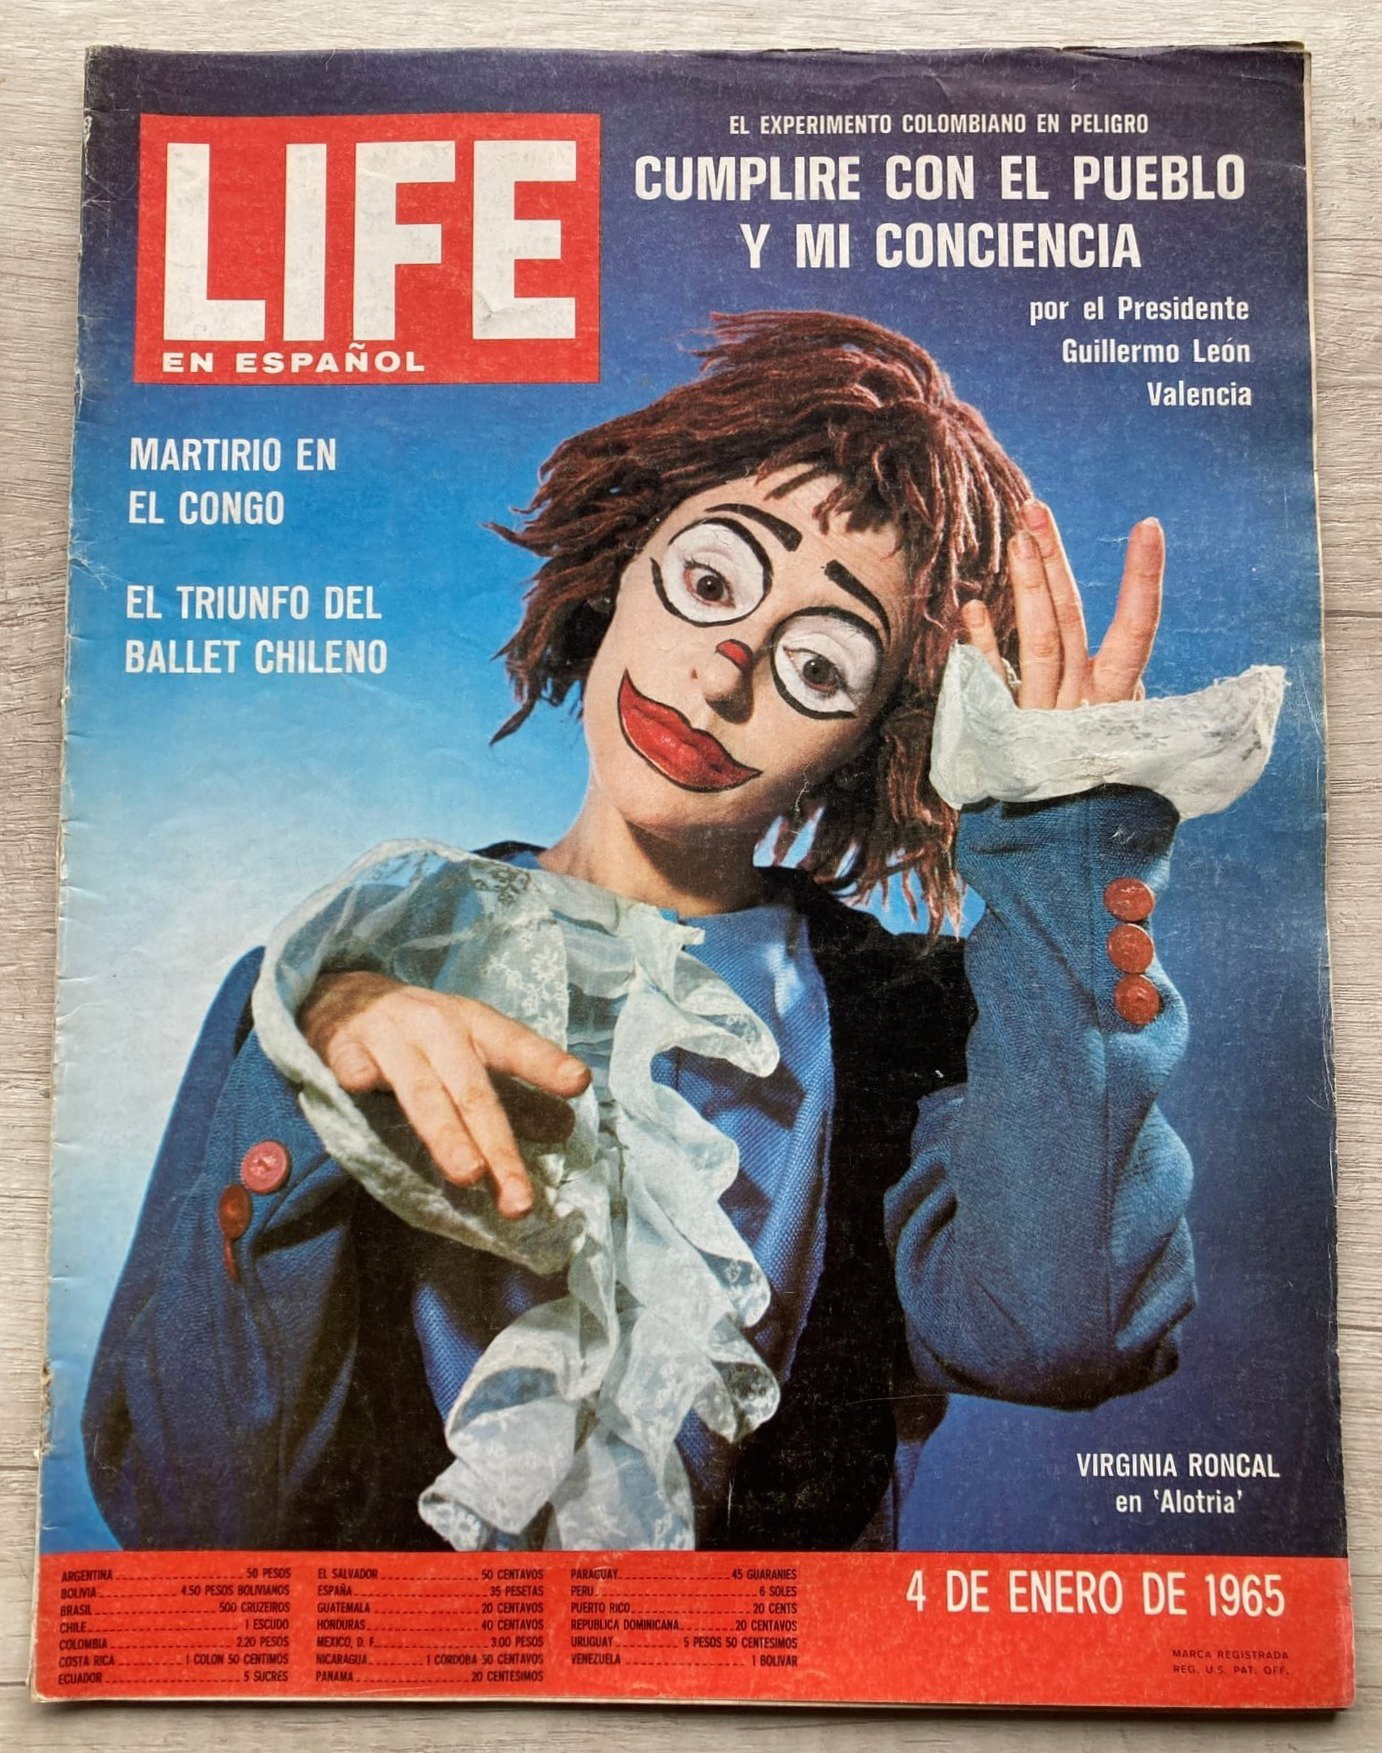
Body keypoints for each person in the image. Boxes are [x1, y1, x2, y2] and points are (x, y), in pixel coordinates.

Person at [83, 311, 1280, 1552]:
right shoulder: (332, 981)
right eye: (710, 583)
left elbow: (1066, 1331)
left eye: (819, 665)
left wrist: (1064, 835)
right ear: (623, 556)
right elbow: (189, 1516)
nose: (718, 676)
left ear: (869, 740)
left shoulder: (907, 1027)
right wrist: (316, 1095)